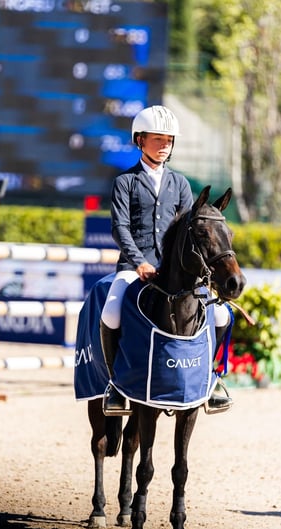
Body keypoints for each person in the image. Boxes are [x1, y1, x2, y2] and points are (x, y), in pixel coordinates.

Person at [99, 105, 233, 415]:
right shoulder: (126, 182)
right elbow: (119, 228)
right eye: (157, 139)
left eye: (169, 140)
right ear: (140, 140)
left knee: (223, 316)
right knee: (111, 312)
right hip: (137, 268)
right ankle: (114, 385)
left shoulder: (181, 184)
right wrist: (138, 263)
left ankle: (212, 381)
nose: (164, 146)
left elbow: (189, 231)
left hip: (177, 272)